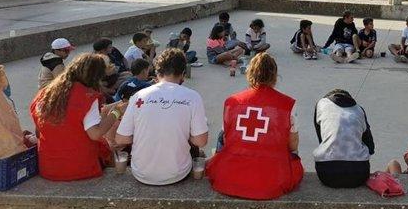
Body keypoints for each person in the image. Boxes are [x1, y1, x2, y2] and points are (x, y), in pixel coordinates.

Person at [206, 53, 303, 199]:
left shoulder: (231, 102)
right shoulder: (288, 104)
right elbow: (293, 145)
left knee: (222, 136)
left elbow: (226, 139)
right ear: (274, 76)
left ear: (250, 73)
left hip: (230, 176)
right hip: (272, 179)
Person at [115, 49, 208, 185]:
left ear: (157, 73)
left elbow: (121, 139)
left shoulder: (138, 96)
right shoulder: (192, 97)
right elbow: (201, 141)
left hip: (140, 172)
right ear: (183, 74)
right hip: (177, 173)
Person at [30, 54, 123, 181]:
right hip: (80, 168)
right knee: (109, 147)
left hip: (49, 168)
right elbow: (95, 134)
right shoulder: (87, 96)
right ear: (96, 77)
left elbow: (38, 133)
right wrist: (117, 112)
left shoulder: (44, 95)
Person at [313, 89, 375, 188]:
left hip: (327, 174)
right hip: (359, 175)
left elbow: (321, 139)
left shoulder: (321, 104)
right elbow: (371, 147)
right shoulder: (359, 110)